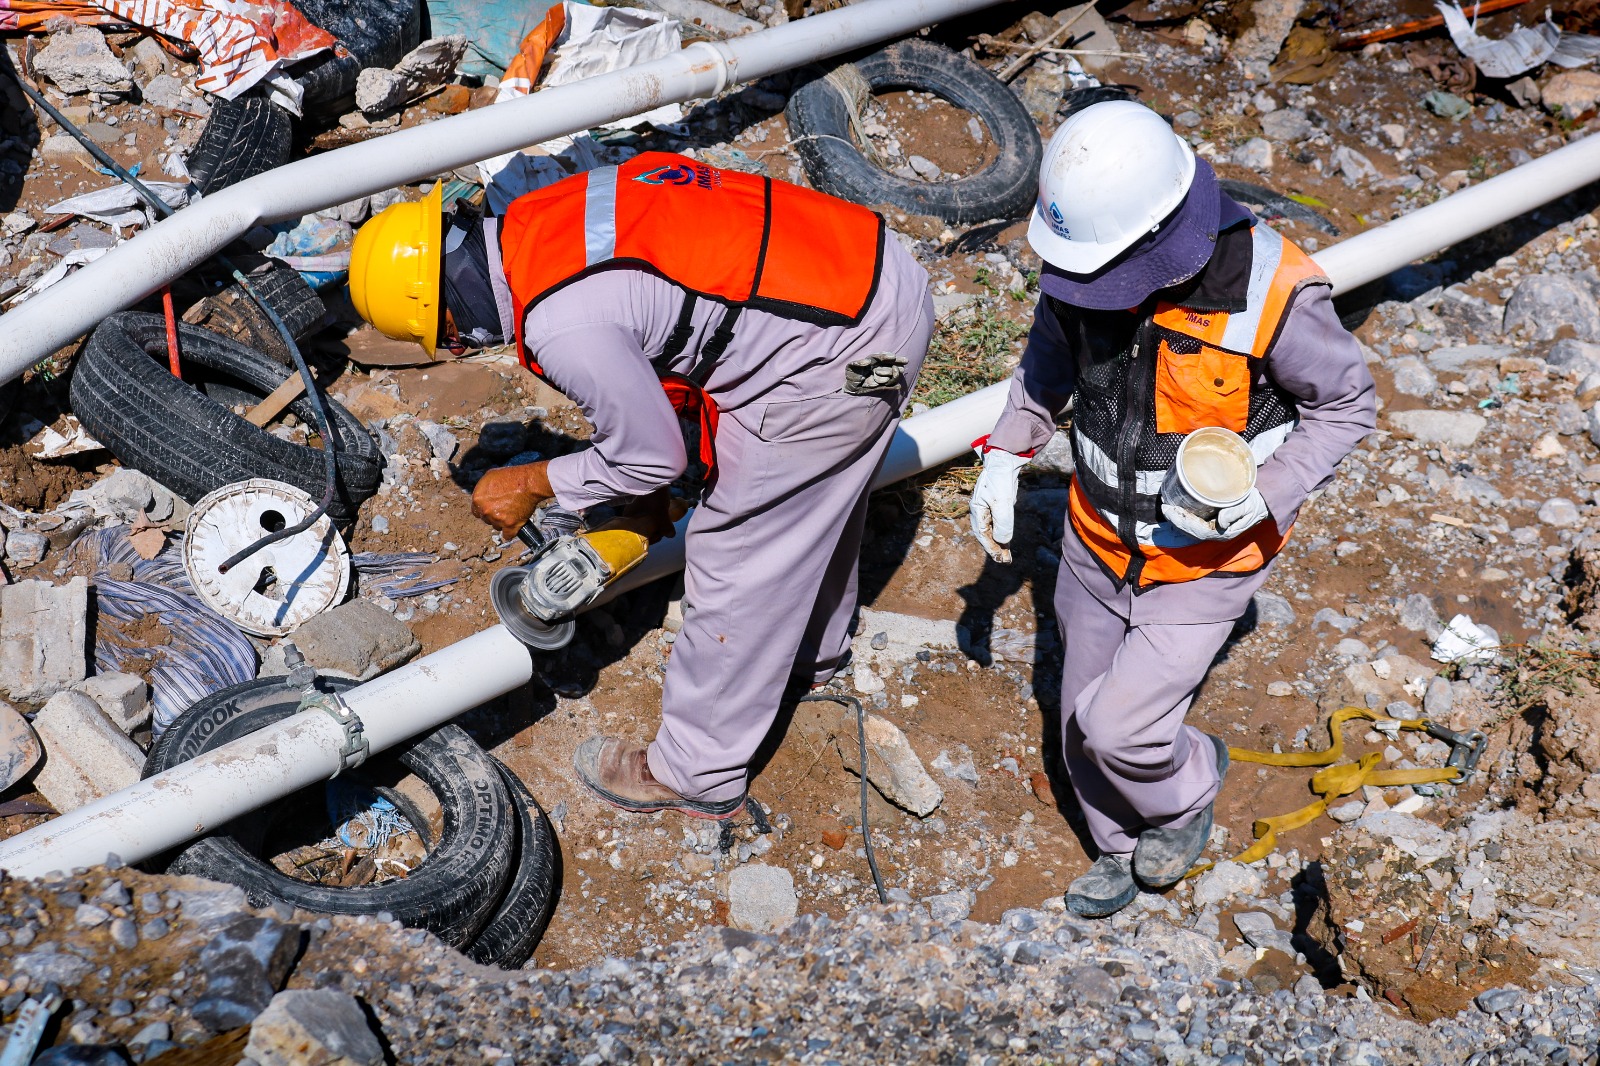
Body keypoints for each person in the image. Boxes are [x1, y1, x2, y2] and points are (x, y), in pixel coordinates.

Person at [348, 153, 933, 820]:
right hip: (871, 273)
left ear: (447, 310)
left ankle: (695, 769)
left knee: (739, 552)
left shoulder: (563, 325)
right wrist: (646, 497)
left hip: (837, 353)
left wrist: (535, 480)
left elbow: (650, 454)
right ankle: (813, 655)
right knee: (806, 502)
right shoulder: (549, 214)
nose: (462, 345)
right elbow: (678, 317)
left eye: (448, 337)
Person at [968, 99, 1376, 917]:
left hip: (1206, 563)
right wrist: (1009, 451)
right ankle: (1120, 847)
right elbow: (1046, 365)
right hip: (1094, 541)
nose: (1093, 292)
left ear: (1162, 241)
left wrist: (1270, 491)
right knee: (1078, 722)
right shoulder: (1083, 267)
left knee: (1121, 730)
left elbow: (1347, 406)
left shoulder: (1273, 293)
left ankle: (1187, 792)